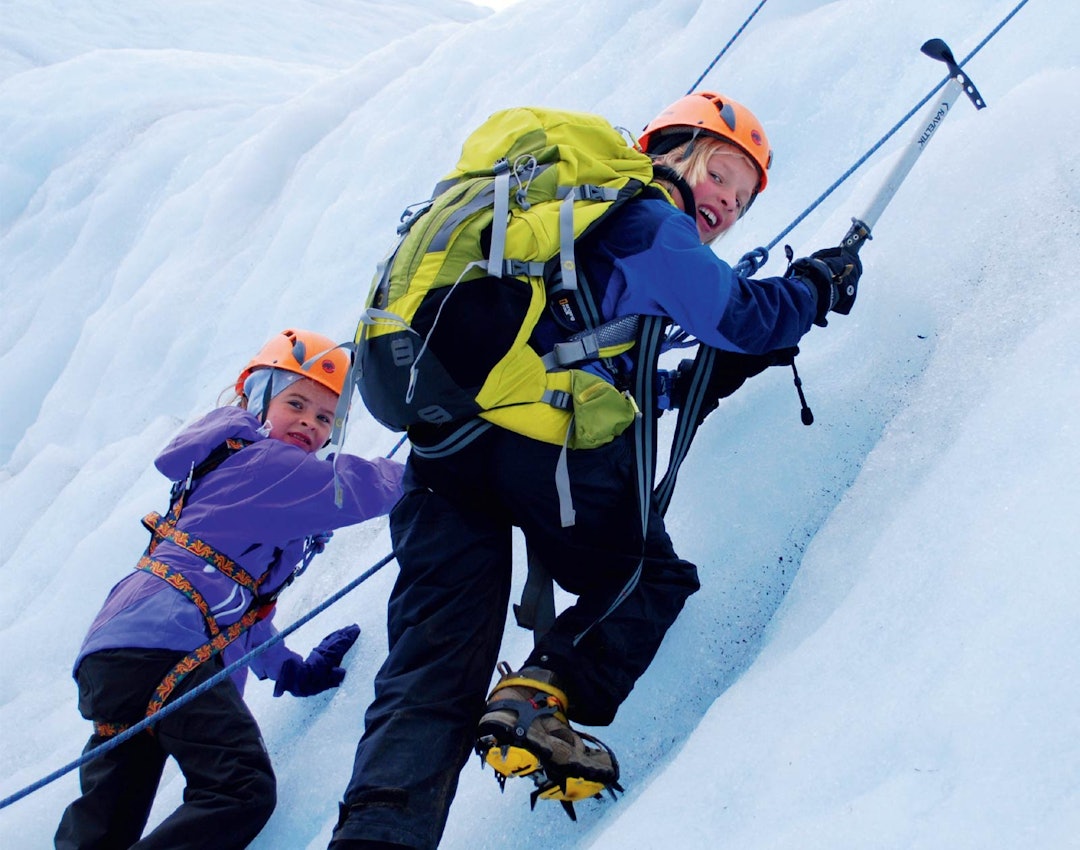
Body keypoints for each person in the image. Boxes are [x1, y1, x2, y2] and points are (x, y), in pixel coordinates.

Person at [328, 92, 862, 850]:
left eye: (741, 200)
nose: (725, 203)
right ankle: (540, 694)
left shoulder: (555, 230)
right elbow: (742, 315)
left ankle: (376, 837)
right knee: (647, 576)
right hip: (539, 452)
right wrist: (815, 286)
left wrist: (712, 374)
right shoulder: (646, 220)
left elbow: (619, 372)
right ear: (671, 151)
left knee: (432, 669)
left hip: (444, 449)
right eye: (721, 173)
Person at [55, 328, 405, 850]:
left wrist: (287, 667)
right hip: (167, 643)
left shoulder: (228, 470)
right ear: (260, 399)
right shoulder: (265, 463)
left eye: (325, 417)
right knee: (240, 791)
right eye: (296, 403)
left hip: (121, 652)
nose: (310, 423)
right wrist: (436, 466)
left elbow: (236, 607)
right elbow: (352, 488)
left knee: (108, 816)